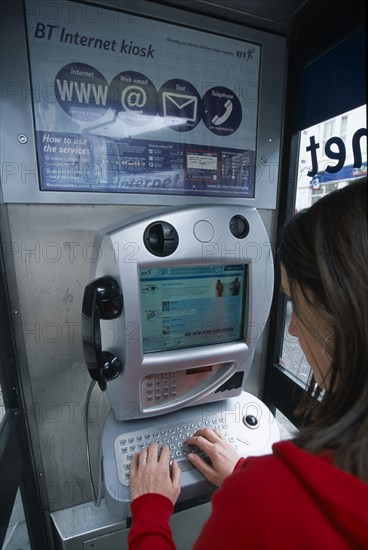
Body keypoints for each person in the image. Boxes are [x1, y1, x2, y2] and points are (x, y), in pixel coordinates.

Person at [128, 179, 368, 549]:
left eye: (296, 306)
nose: (292, 329)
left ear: (343, 319)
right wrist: (245, 474)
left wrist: (149, 513)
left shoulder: (261, 505)